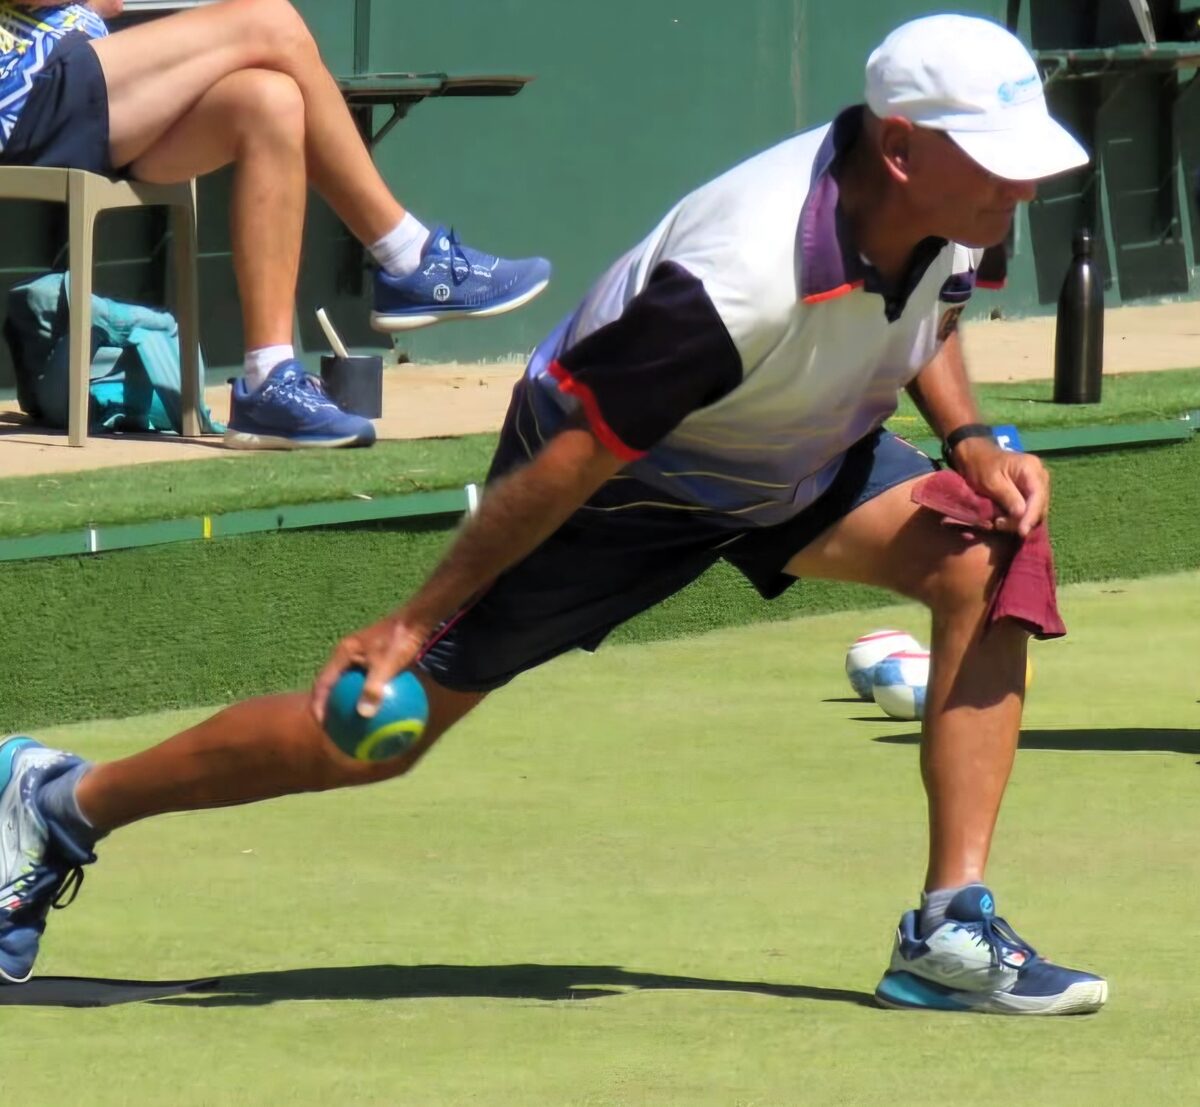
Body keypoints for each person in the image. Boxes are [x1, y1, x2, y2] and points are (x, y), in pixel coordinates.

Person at [0, 14, 1108, 1014]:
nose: (1024, 191)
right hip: (613, 488)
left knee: (992, 555)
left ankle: (949, 931)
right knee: (367, 737)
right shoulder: (738, 278)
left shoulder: (956, 198)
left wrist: (970, 439)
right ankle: (60, 801)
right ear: (903, 146)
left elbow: (927, 310)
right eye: (1000, 168)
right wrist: (410, 620)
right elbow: (576, 460)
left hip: (796, 448)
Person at [0, 0, 551, 449]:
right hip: (26, 93)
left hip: (90, 91)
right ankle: (407, 255)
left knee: (272, 102)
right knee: (274, 22)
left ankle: (269, 380)